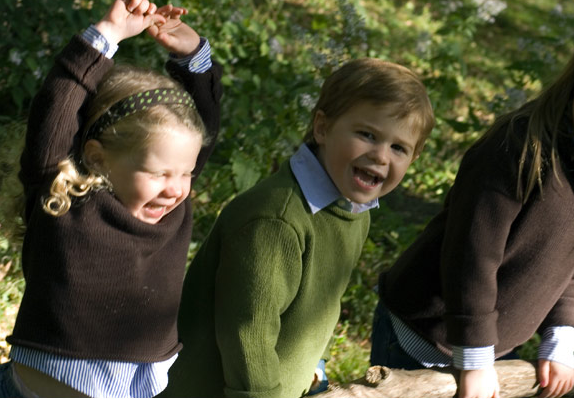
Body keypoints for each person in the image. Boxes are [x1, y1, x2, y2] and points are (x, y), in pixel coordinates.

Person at [370, 13, 574, 398]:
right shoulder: (521, 149)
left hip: (489, 348)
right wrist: (474, 358)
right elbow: (470, 257)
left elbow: (573, 267)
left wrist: (561, 336)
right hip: (428, 335)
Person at [0, 0, 223, 397]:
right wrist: (106, 35)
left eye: (186, 173)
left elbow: (199, 126)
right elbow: (56, 111)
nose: (176, 189)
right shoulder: (66, 203)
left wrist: (194, 58)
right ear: (98, 158)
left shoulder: (170, 210)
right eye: (159, 173)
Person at [162, 58, 435, 398]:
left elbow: (320, 304)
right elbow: (248, 335)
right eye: (367, 135)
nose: (381, 156)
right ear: (322, 127)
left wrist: (313, 365)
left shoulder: (352, 210)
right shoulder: (276, 220)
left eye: (399, 148)